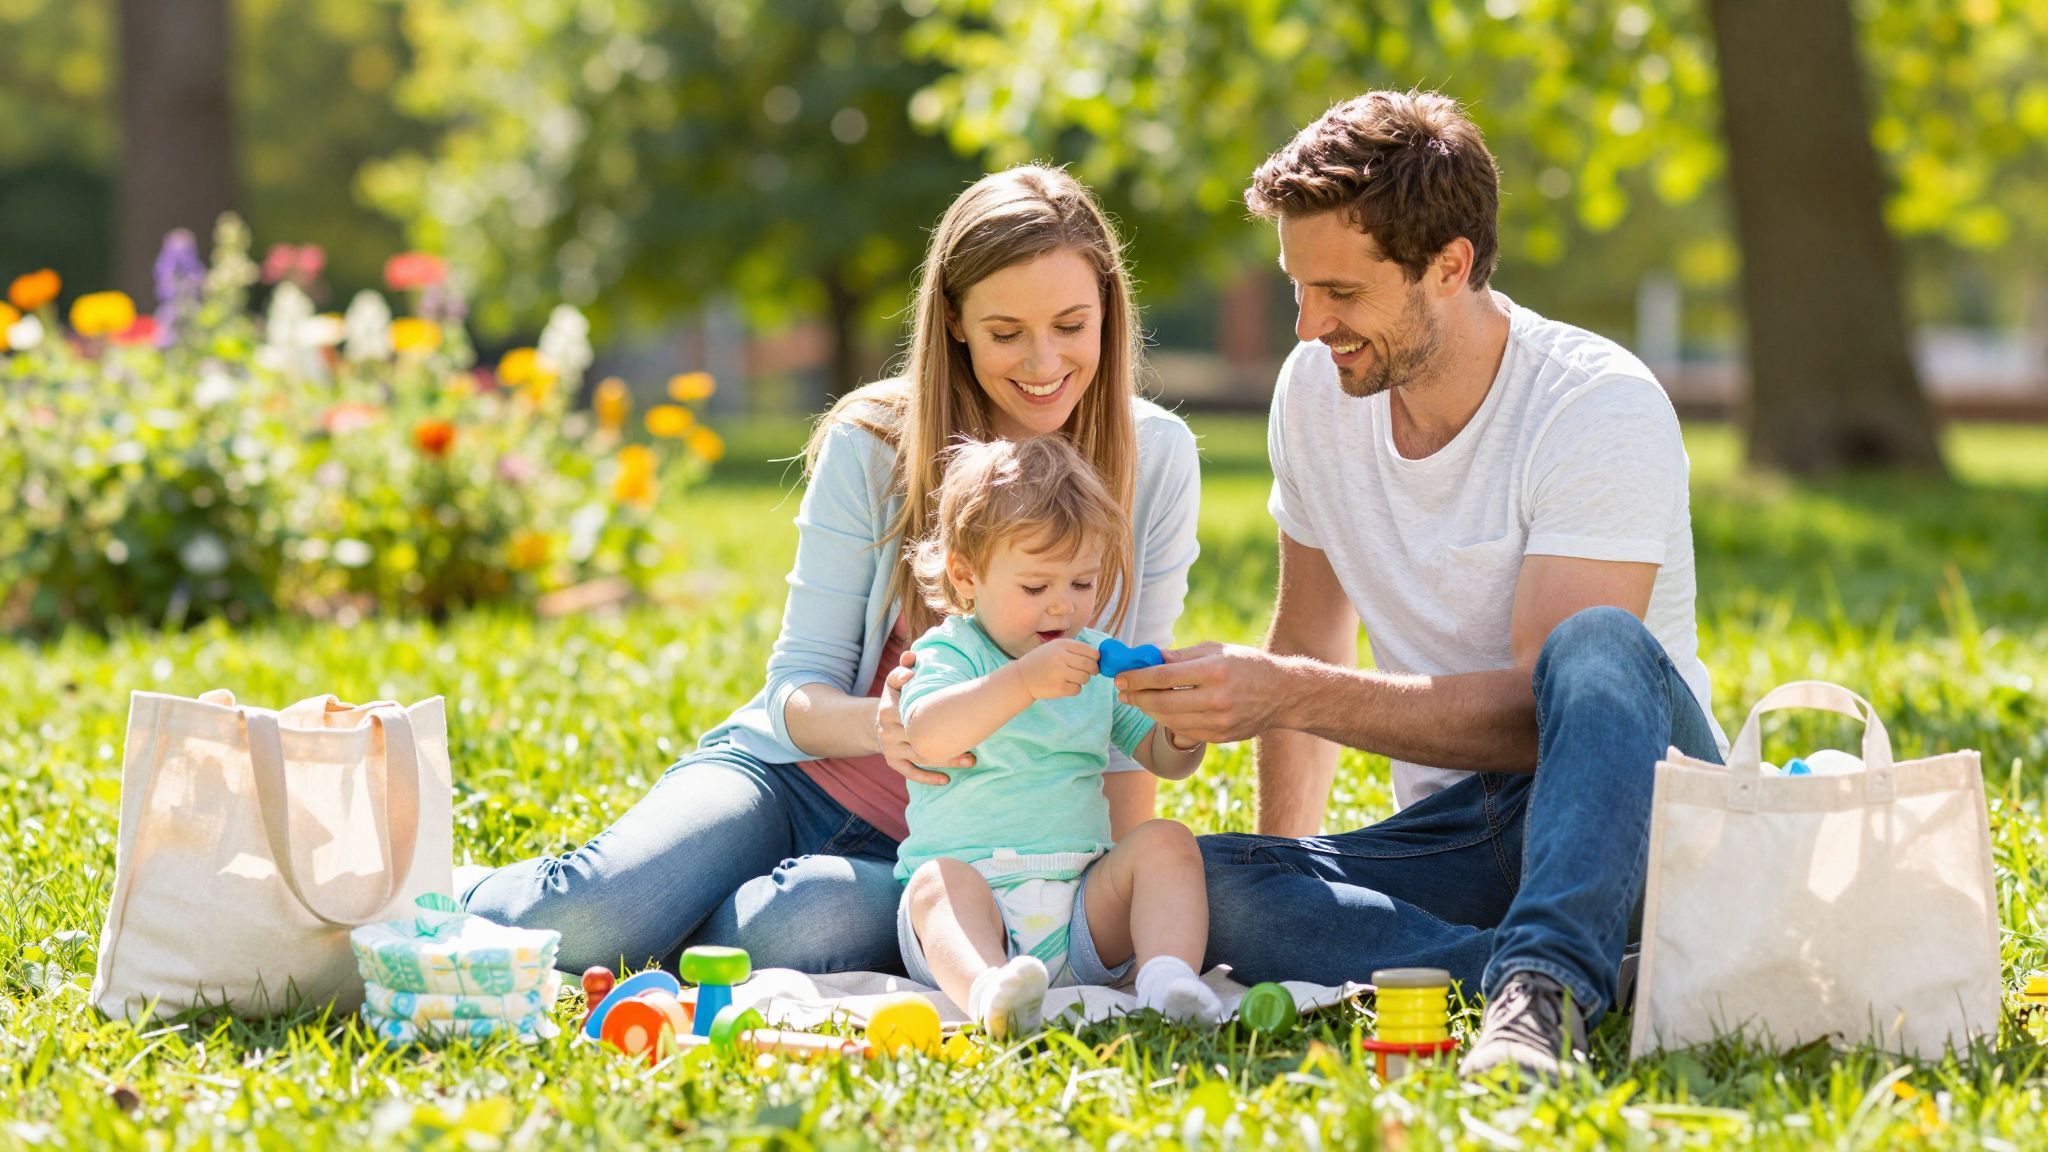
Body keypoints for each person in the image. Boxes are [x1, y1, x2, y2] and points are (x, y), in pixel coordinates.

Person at [1112, 91, 1728, 1082]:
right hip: (1463, 837)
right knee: (1199, 886)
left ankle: (1544, 999)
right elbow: (1307, 637)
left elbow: (1541, 714)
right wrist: (1287, 872)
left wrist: (1284, 689)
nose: (1310, 326)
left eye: (1341, 295)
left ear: (1447, 265)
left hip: (1640, 808)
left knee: (1595, 645)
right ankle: (1555, 969)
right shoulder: (1316, 392)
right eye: (1295, 289)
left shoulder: (1593, 405)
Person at [460, 165, 1201, 979]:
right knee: (589, 917)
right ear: (953, 322)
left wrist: (1115, 921)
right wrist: (886, 729)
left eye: (1071, 325)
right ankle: (455, 899)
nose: (1043, 362)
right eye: (1005, 332)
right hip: (788, 780)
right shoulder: (875, 440)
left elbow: (1126, 718)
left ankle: (676, 917)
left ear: (1109, 310)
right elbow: (796, 690)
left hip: (937, 855)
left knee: (792, 934)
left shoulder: (1153, 457)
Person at [893, 436, 1216, 1037]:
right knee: (934, 885)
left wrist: (1181, 729)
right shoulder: (951, 651)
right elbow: (928, 735)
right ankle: (990, 992)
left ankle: (1168, 980)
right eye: (1035, 588)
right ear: (967, 576)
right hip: (978, 897)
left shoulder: (1091, 661)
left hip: (1083, 910)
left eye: (1083, 584)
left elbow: (1163, 760)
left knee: (1168, 843)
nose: (1061, 609)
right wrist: (1022, 682)